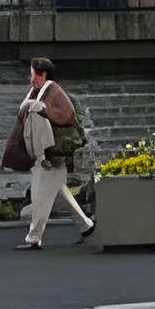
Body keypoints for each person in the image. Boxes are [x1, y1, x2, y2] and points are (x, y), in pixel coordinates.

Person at [17, 55, 94, 250]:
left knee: (40, 195)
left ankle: (34, 238)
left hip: (52, 153)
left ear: (41, 74)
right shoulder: (38, 90)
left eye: (32, 73)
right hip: (45, 152)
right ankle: (86, 225)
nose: (30, 77)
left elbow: (66, 114)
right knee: (58, 190)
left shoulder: (53, 90)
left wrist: (43, 108)